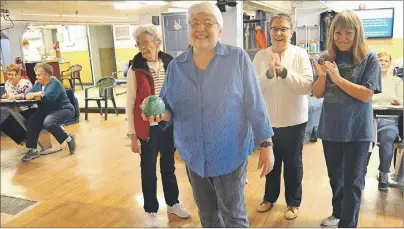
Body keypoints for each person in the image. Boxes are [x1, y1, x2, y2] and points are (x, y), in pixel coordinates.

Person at [142, 2, 275, 228]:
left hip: (230, 152)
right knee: (207, 215)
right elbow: (168, 108)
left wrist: (267, 144)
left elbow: (255, 104)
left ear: (219, 28)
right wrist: (157, 115)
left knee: (234, 214)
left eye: (207, 23)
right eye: (194, 23)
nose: (200, 28)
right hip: (194, 154)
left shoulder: (237, 59)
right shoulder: (177, 66)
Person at [312, 11, 381, 228]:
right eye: (338, 33)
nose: (342, 38)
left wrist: (338, 79)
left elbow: (366, 94)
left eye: (348, 34)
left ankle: (348, 224)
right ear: (332, 33)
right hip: (330, 130)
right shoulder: (324, 57)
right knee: (336, 179)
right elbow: (318, 93)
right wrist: (323, 77)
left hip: (358, 131)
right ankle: (338, 212)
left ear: (357, 34)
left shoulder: (369, 58)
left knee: (354, 182)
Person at [126, 25, 190, 228]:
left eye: (146, 42)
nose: (142, 47)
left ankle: (172, 203)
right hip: (147, 128)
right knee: (148, 170)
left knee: (168, 167)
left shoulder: (170, 63)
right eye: (139, 44)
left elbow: (179, 94)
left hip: (168, 125)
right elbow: (130, 103)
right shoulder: (135, 69)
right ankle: (151, 211)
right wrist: (132, 135)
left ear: (157, 42)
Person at [253, 13, 313, 220]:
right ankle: (269, 198)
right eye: (274, 29)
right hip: (268, 121)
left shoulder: (300, 54)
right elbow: (254, 89)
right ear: (269, 30)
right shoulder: (261, 56)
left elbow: (306, 86)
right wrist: (269, 73)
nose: (279, 33)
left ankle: (293, 202)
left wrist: (284, 72)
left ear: (292, 31)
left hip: (295, 120)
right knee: (271, 162)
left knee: (293, 163)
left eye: (283, 29)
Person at [22, 63, 76, 162]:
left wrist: (36, 96)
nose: (36, 77)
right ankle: (32, 150)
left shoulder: (55, 83)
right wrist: (37, 94)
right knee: (31, 121)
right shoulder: (38, 84)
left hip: (64, 109)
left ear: (47, 75)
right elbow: (27, 95)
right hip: (46, 110)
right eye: (36, 75)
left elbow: (48, 98)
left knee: (48, 122)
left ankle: (69, 139)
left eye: (39, 75)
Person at [371, 52, 402, 191]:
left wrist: (399, 101)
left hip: (390, 121)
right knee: (364, 140)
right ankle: (360, 174)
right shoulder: (369, 79)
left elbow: (402, 99)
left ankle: (384, 174)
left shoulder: (397, 81)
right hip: (370, 119)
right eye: (380, 60)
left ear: (390, 64)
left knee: (387, 139)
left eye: (386, 61)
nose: (383, 63)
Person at [0, 64, 34, 145]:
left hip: (30, 109)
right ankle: (25, 141)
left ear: (18, 75)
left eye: (12, 74)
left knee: (26, 125)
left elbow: (29, 96)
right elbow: (10, 96)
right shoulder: (7, 83)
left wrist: (15, 96)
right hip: (17, 110)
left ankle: (31, 145)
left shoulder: (26, 83)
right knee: (5, 125)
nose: (10, 77)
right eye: (8, 74)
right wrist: (7, 97)